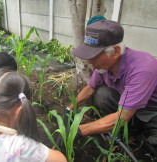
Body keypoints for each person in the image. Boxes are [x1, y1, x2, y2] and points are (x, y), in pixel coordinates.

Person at [66, 20, 157, 155]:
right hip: (130, 108)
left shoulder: (143, 68)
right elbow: (90, 88)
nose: (89, 62)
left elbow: (122, 116)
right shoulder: (104, 66)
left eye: (94, 56)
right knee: (103, 94)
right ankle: (131, 130)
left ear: (115, 51)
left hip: (151, 111)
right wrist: (69, 109)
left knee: (152, 146)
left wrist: (79, 130)